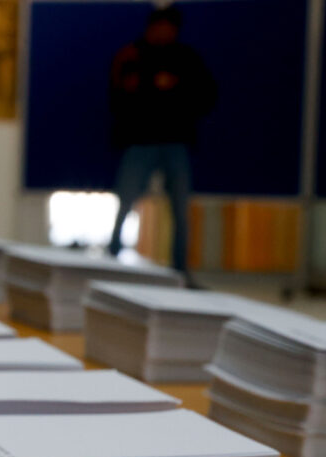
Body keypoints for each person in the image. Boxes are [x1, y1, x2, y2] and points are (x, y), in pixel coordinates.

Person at [106, 6, 216, 279]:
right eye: (160, 27)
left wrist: (176, 91)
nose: (164, 32)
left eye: (170, 28)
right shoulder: (132, 55)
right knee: (125, 201)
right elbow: (117, 96)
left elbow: (206, 94)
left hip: (174, 142)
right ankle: (111, 262)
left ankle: (180, 271)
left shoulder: (185, 58)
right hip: (139, 141)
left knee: (180, 208)